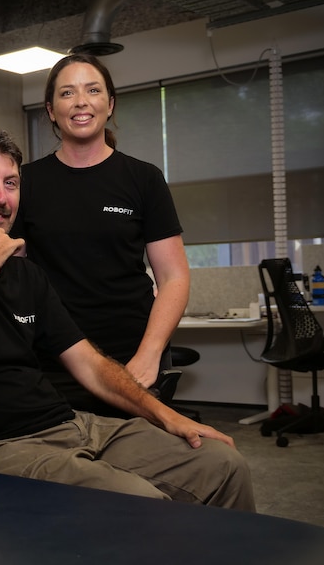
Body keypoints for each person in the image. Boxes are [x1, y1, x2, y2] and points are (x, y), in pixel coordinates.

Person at [0, 129, 254, 510]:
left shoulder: (27, 274)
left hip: (71, 423)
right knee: (142, 504)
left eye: (10, 184)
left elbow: (91, 364)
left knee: (222, 464)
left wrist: (167, 416)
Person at [10, 53, 190, 416]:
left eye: (92, 90)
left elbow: (174, 277)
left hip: (129, 355)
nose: (80, 102)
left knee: (139, 462)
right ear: (50, 109)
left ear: (109, 105)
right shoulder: (24, 182)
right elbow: (13, 271)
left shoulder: (144, 179)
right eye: (67, 93)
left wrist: (149, 355)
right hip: (51, 356)